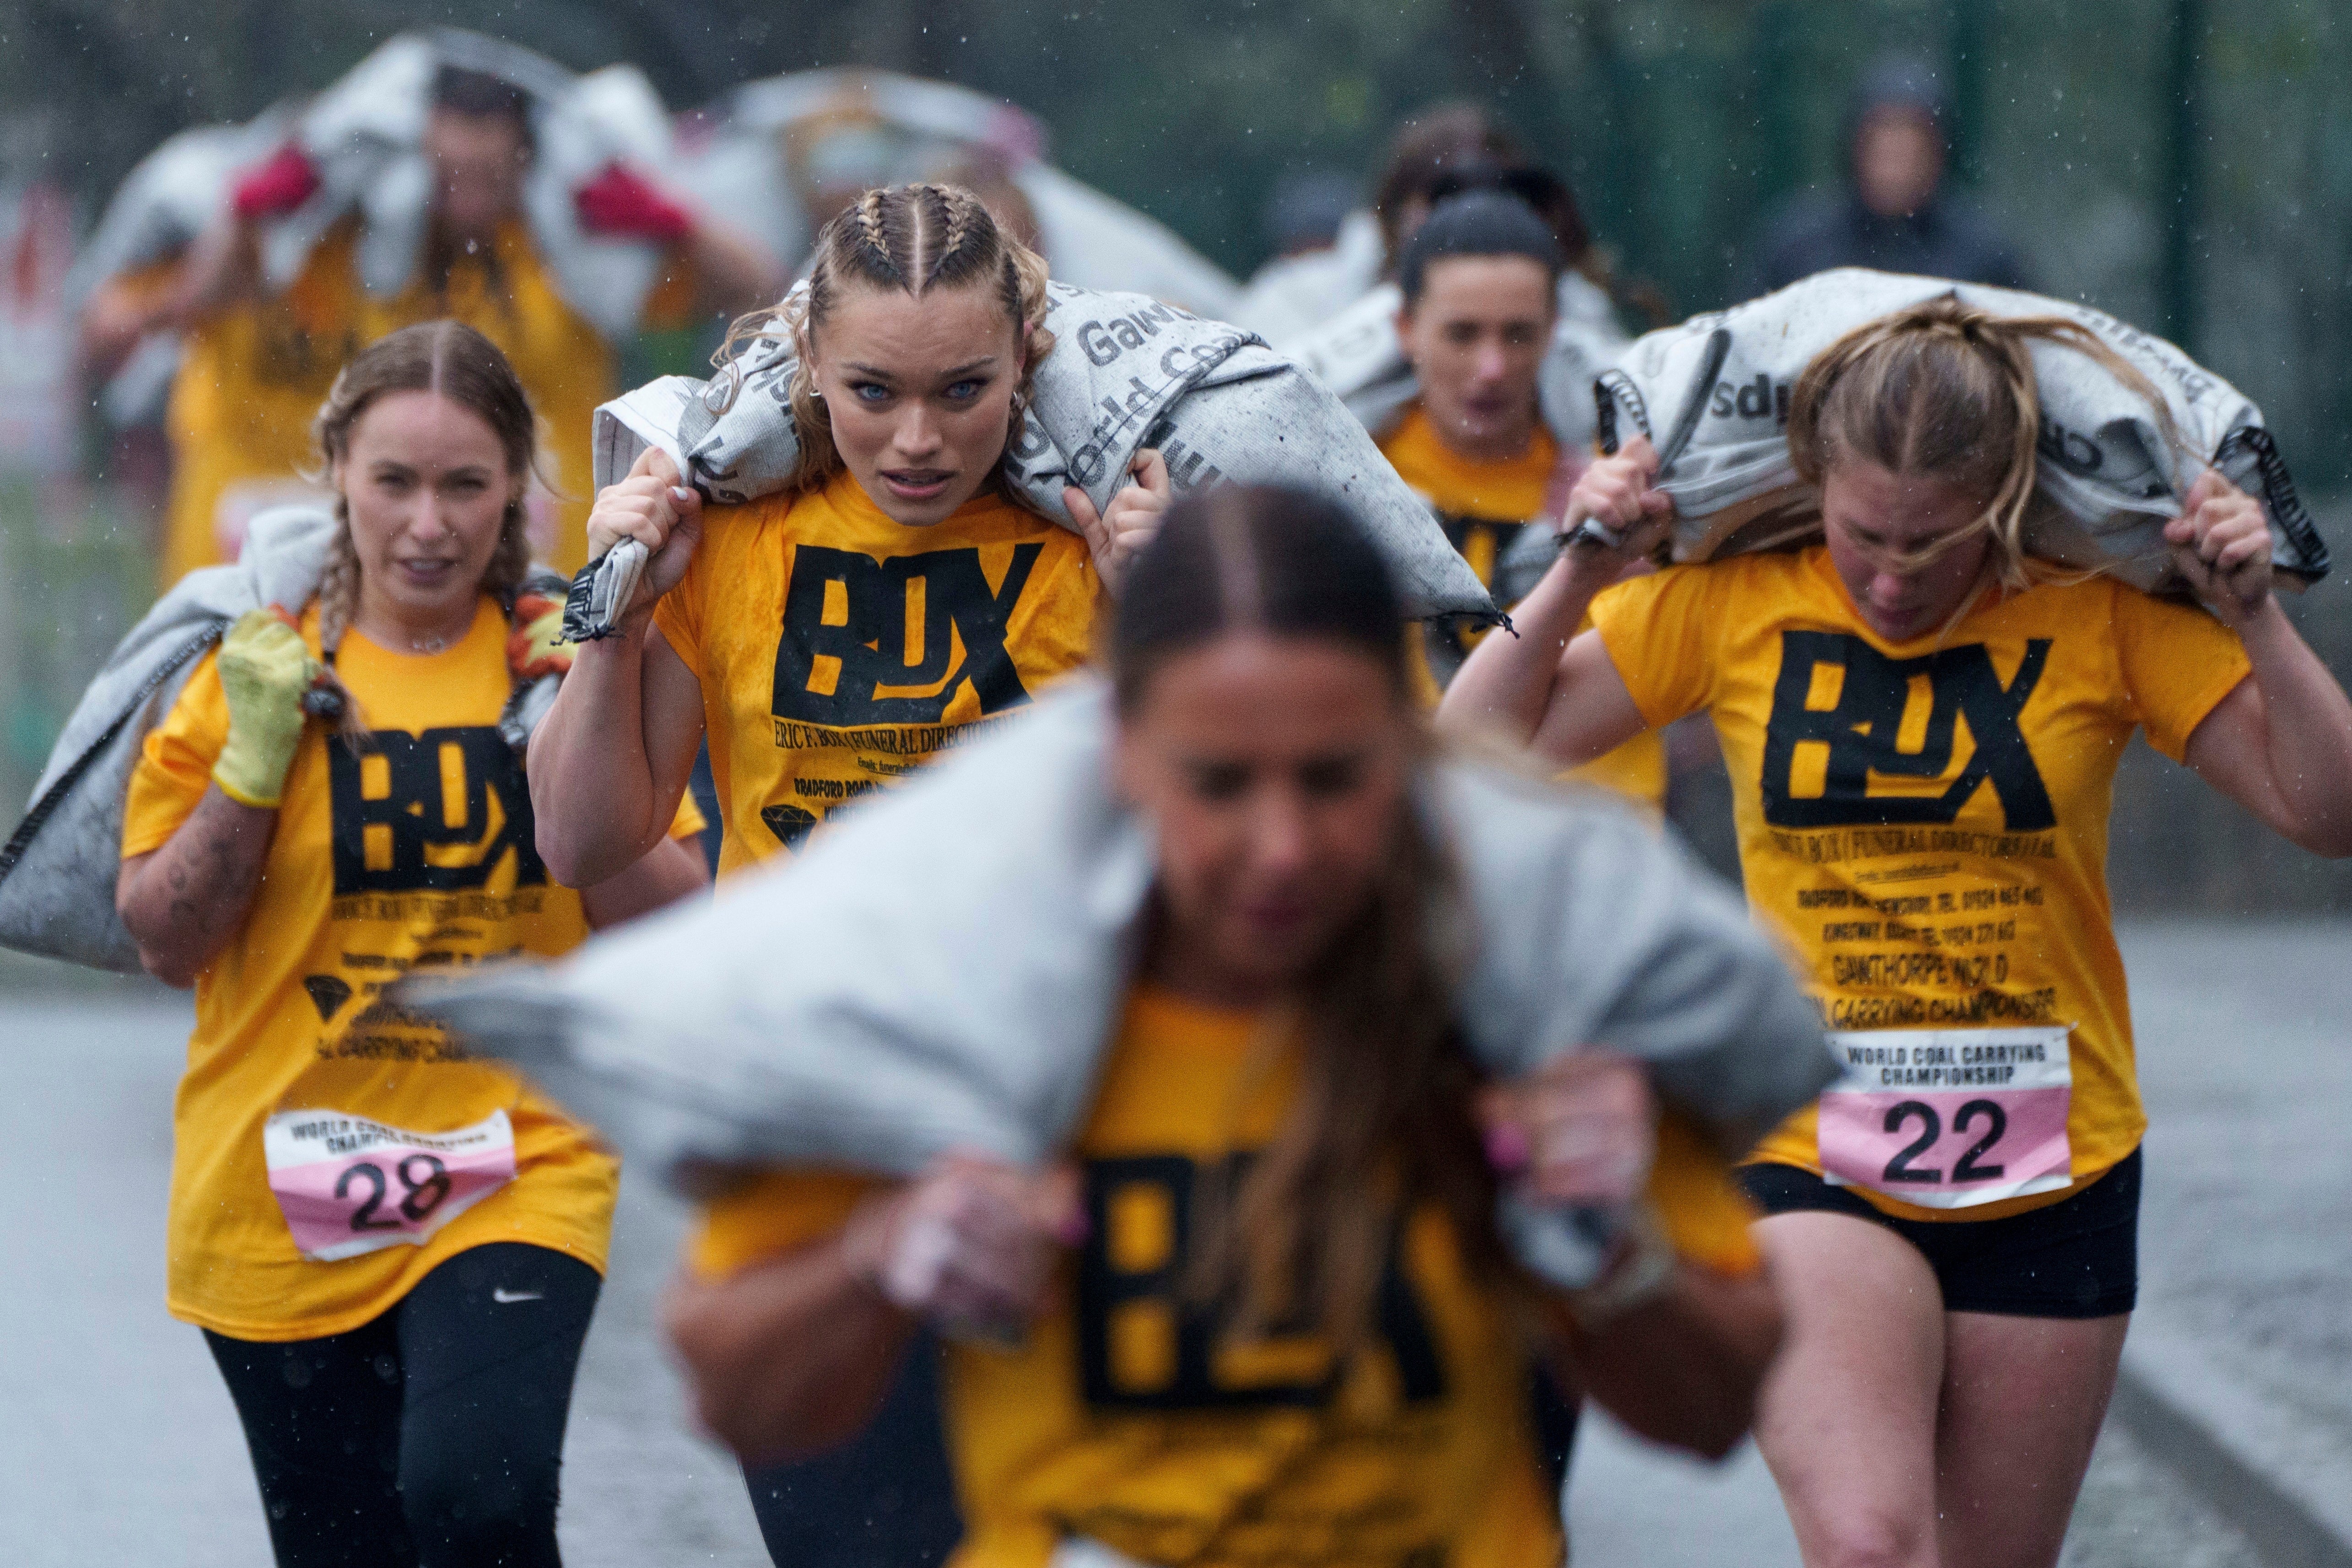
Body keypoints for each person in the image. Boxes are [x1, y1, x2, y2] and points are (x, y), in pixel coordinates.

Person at [662, 484, 1793, 1567]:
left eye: (1333, 776)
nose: (1284, 843)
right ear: (1118, 753)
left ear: (1410, 751)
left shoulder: (1516, 983)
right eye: (1218, 781)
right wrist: (881, 1257)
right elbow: (731, 1386)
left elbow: (1715, 1406)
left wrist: (1613, 1248)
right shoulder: (962, 985)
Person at [1438, 296, 2352, 1568]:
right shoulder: (1735, 602)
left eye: (1934, 545)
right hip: (1809, 1149)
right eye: (1862, 534)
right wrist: (1583, 565)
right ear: (1814, 487)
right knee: (1869, 1545)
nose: (1888, 577)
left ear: (2001, 506)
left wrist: (2255, 612)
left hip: (2054, 1166)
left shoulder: (2094, 613)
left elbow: (2327, 812)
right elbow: (1459, 763)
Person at [528, 182, 1166, 1565]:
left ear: (1029, 359)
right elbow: (586, 841)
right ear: (809, 361)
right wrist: (612, 609)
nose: (919, 438)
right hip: (802, 1126)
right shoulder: (737, 540)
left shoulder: (1087, 544)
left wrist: (1167, 619)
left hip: (1039, 1117)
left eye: (966, 389)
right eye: (874, 390)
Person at [112, 320, 711, 1566]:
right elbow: (167, 940)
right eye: (394, 481)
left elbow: (681, 928)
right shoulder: (250, 665)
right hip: (280, 1178)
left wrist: (589, 695)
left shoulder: (586, 651)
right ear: (335, 472)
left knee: (477, 1503)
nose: (429, 523)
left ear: (516, 493)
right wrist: (254, 759)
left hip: (518, 1158)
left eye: (464, 484)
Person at [83, 61, 782, 588]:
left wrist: (669, 218)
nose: (468, 197)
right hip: (247, 574)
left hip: (524, 594)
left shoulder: (562, 263)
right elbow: (118, 326)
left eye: (489, 173)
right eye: (451, 172)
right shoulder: (277, 248)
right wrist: (246, 212)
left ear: (526, 162)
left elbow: (760, 284)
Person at [1380, 189, 1665, 808]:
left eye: (1517, 335)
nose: (1491, 368)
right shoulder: (1351, 473)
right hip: (1423, 840)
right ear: (1405, 329)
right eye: (1462, 334)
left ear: (1554, 333)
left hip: (1600, 838)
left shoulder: (1624, 479)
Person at [1744, 54, 2029, 297]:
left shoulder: (1985, 255)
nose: (1896, 161)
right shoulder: (1798, 247)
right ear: (1855, 149)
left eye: (1912, 145)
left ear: (1939, 155)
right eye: (1882, 143)